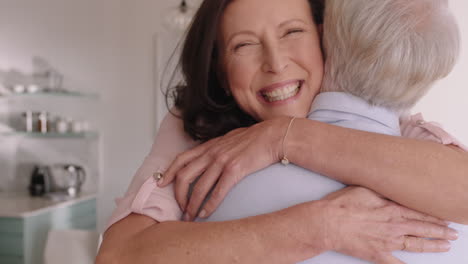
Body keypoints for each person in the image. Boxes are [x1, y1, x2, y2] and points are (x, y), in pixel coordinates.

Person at [96, 0, 468, 263]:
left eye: (292, 32)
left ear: (324, 39)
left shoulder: (384, 119)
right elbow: (120, 257)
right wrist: (321, 226)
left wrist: (285, 138)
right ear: (222, 72)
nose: (275, 63)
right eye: (244, 44)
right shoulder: (192, 129)